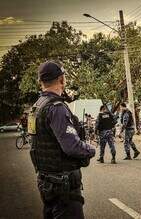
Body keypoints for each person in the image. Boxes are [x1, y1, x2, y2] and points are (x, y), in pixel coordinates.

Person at [28, 61, 96, 218]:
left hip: (46, 182)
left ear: (41, 82)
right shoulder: (56, 107)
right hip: (62, 187)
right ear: (61, 79)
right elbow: (71, 146)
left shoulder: (36, 106)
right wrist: (91, 149)